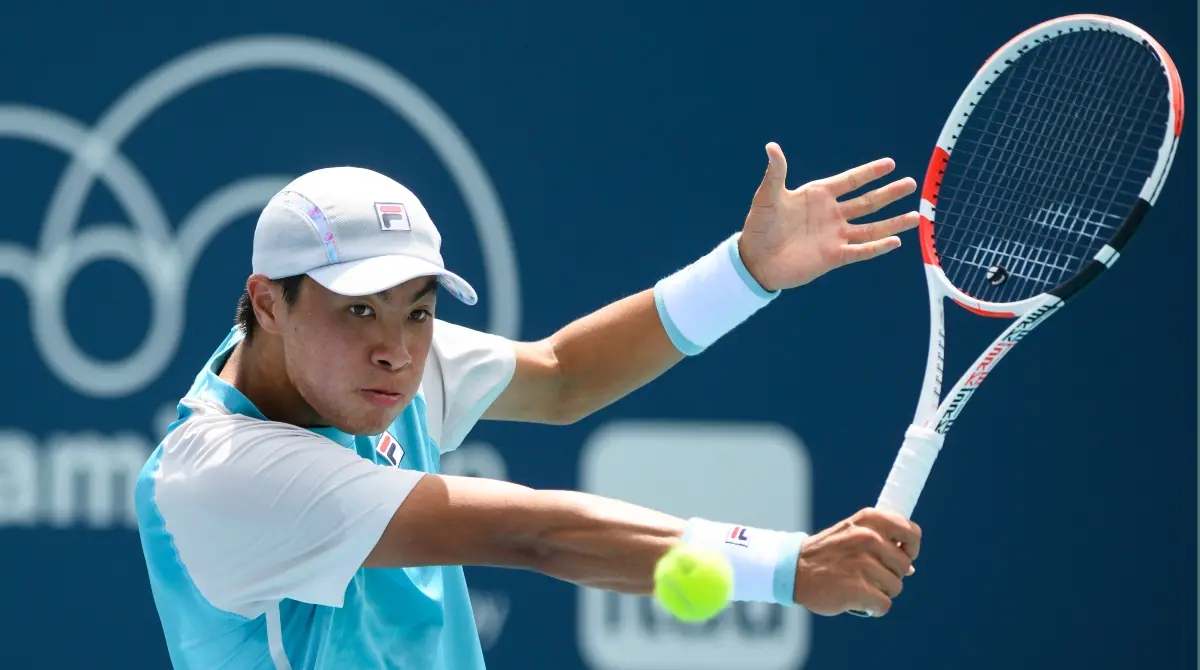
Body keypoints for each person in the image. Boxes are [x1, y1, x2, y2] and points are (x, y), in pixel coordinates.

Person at [134, 142, 923, 670]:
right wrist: (789, 568)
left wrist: (745, 272)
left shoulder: (353, 363)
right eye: (359, 309)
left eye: (417, 310)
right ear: (267, 303)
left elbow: (563, 375)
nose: (398, 351)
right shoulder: (223, 478)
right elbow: (534, 533)